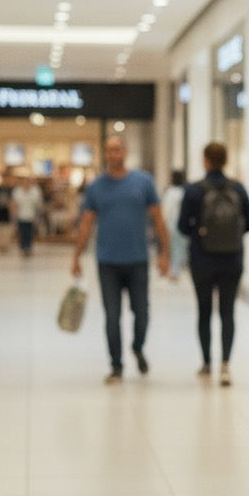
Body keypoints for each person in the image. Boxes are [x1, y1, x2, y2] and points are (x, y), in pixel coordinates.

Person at [71, 136, 169, 384]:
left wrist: (165, 253)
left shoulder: (143, 182)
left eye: (117, 150)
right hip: (108, 263)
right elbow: (86, 223)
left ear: (125, 152)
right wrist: (76, 256)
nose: (113, 154)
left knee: (142, 313)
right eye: (108, 150)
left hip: (138, 261)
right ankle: (116, 365)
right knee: (112, 317)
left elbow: (158, 219)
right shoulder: (96, 187)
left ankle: (137, 346)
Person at [178, 142, 249, 386]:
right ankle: (225, 365)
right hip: (232, 258)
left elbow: (182, 226)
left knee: (204, 311)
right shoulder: (239, 189)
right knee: (227, 311)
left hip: (202, 259)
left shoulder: (194, 190)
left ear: (205, 161)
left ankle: (206, 363)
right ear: (225, 160)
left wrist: (199, 232)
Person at [161, 169, 189, 280]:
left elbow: (166, 209)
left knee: (172, 246)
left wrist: (164, 222)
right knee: (180, 247)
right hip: (183, 222)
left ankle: (173, 270)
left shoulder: (170, 192)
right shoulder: (184, 191)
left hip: (172, 222)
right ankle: (175, 270)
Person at [11, 173, 44, 256]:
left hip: (31, 216)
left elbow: (39, 203)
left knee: (30, 233)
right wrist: (14, 215)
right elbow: (14, 203)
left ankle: (28, 247)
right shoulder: (17, 191)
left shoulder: (35, 190)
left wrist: (39, 214)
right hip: (21, 215)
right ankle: (23, 247)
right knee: (22, 232)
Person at [0, 170, 16, 253]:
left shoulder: (10, 190)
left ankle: (5, 247)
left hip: (7, 214)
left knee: (6, 231)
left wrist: (12, 213)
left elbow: (12, 203)